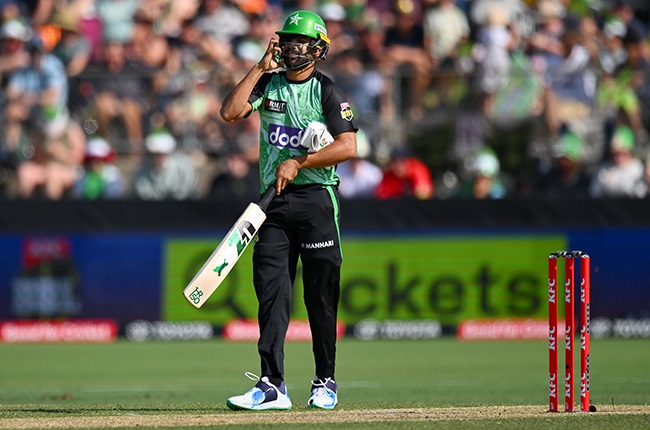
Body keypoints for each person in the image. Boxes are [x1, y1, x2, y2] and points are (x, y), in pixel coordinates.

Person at [220, 10, 358, 411]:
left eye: (300, 40)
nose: (291, 46)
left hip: (316, 200)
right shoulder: (268, 84)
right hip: (274, 204)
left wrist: (301, 161)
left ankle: (325, 380)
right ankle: (272, 384)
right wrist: (258, 67)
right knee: (272, 293)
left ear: (318, 48)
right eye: (287, 39)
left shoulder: (327, 91)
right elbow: (229, 112)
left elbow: (349, 147)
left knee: (320, 295)